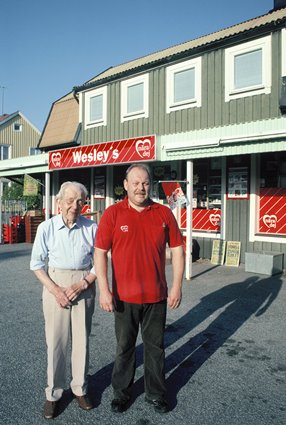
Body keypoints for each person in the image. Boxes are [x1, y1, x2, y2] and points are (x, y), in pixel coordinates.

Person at [94, 163, 185, 414]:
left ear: (150, 185)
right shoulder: (112, 214)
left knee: (155, 348)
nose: (140, 187)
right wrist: (104, 289)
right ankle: (121, 393)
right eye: (135, 183)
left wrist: (176, 285)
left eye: (145, 182)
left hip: (156, 296)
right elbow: (100, 253)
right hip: (124, 297)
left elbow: (178, 250)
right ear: (125, 185)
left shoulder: (163, 213)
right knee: (124, 348)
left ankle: (156, 394)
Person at [30, 181, 97, 420]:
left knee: (82, 341)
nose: (75, 206)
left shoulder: (91, 227)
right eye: (70, 200)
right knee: (56, 342)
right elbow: (37, 265)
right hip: (55, 284)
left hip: (84, 284)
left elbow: (100, 262)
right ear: (59, 203)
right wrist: (56, 290)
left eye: (80, 201)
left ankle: (79, 388)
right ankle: (54, 394)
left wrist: (83, 283)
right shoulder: (46, 228)